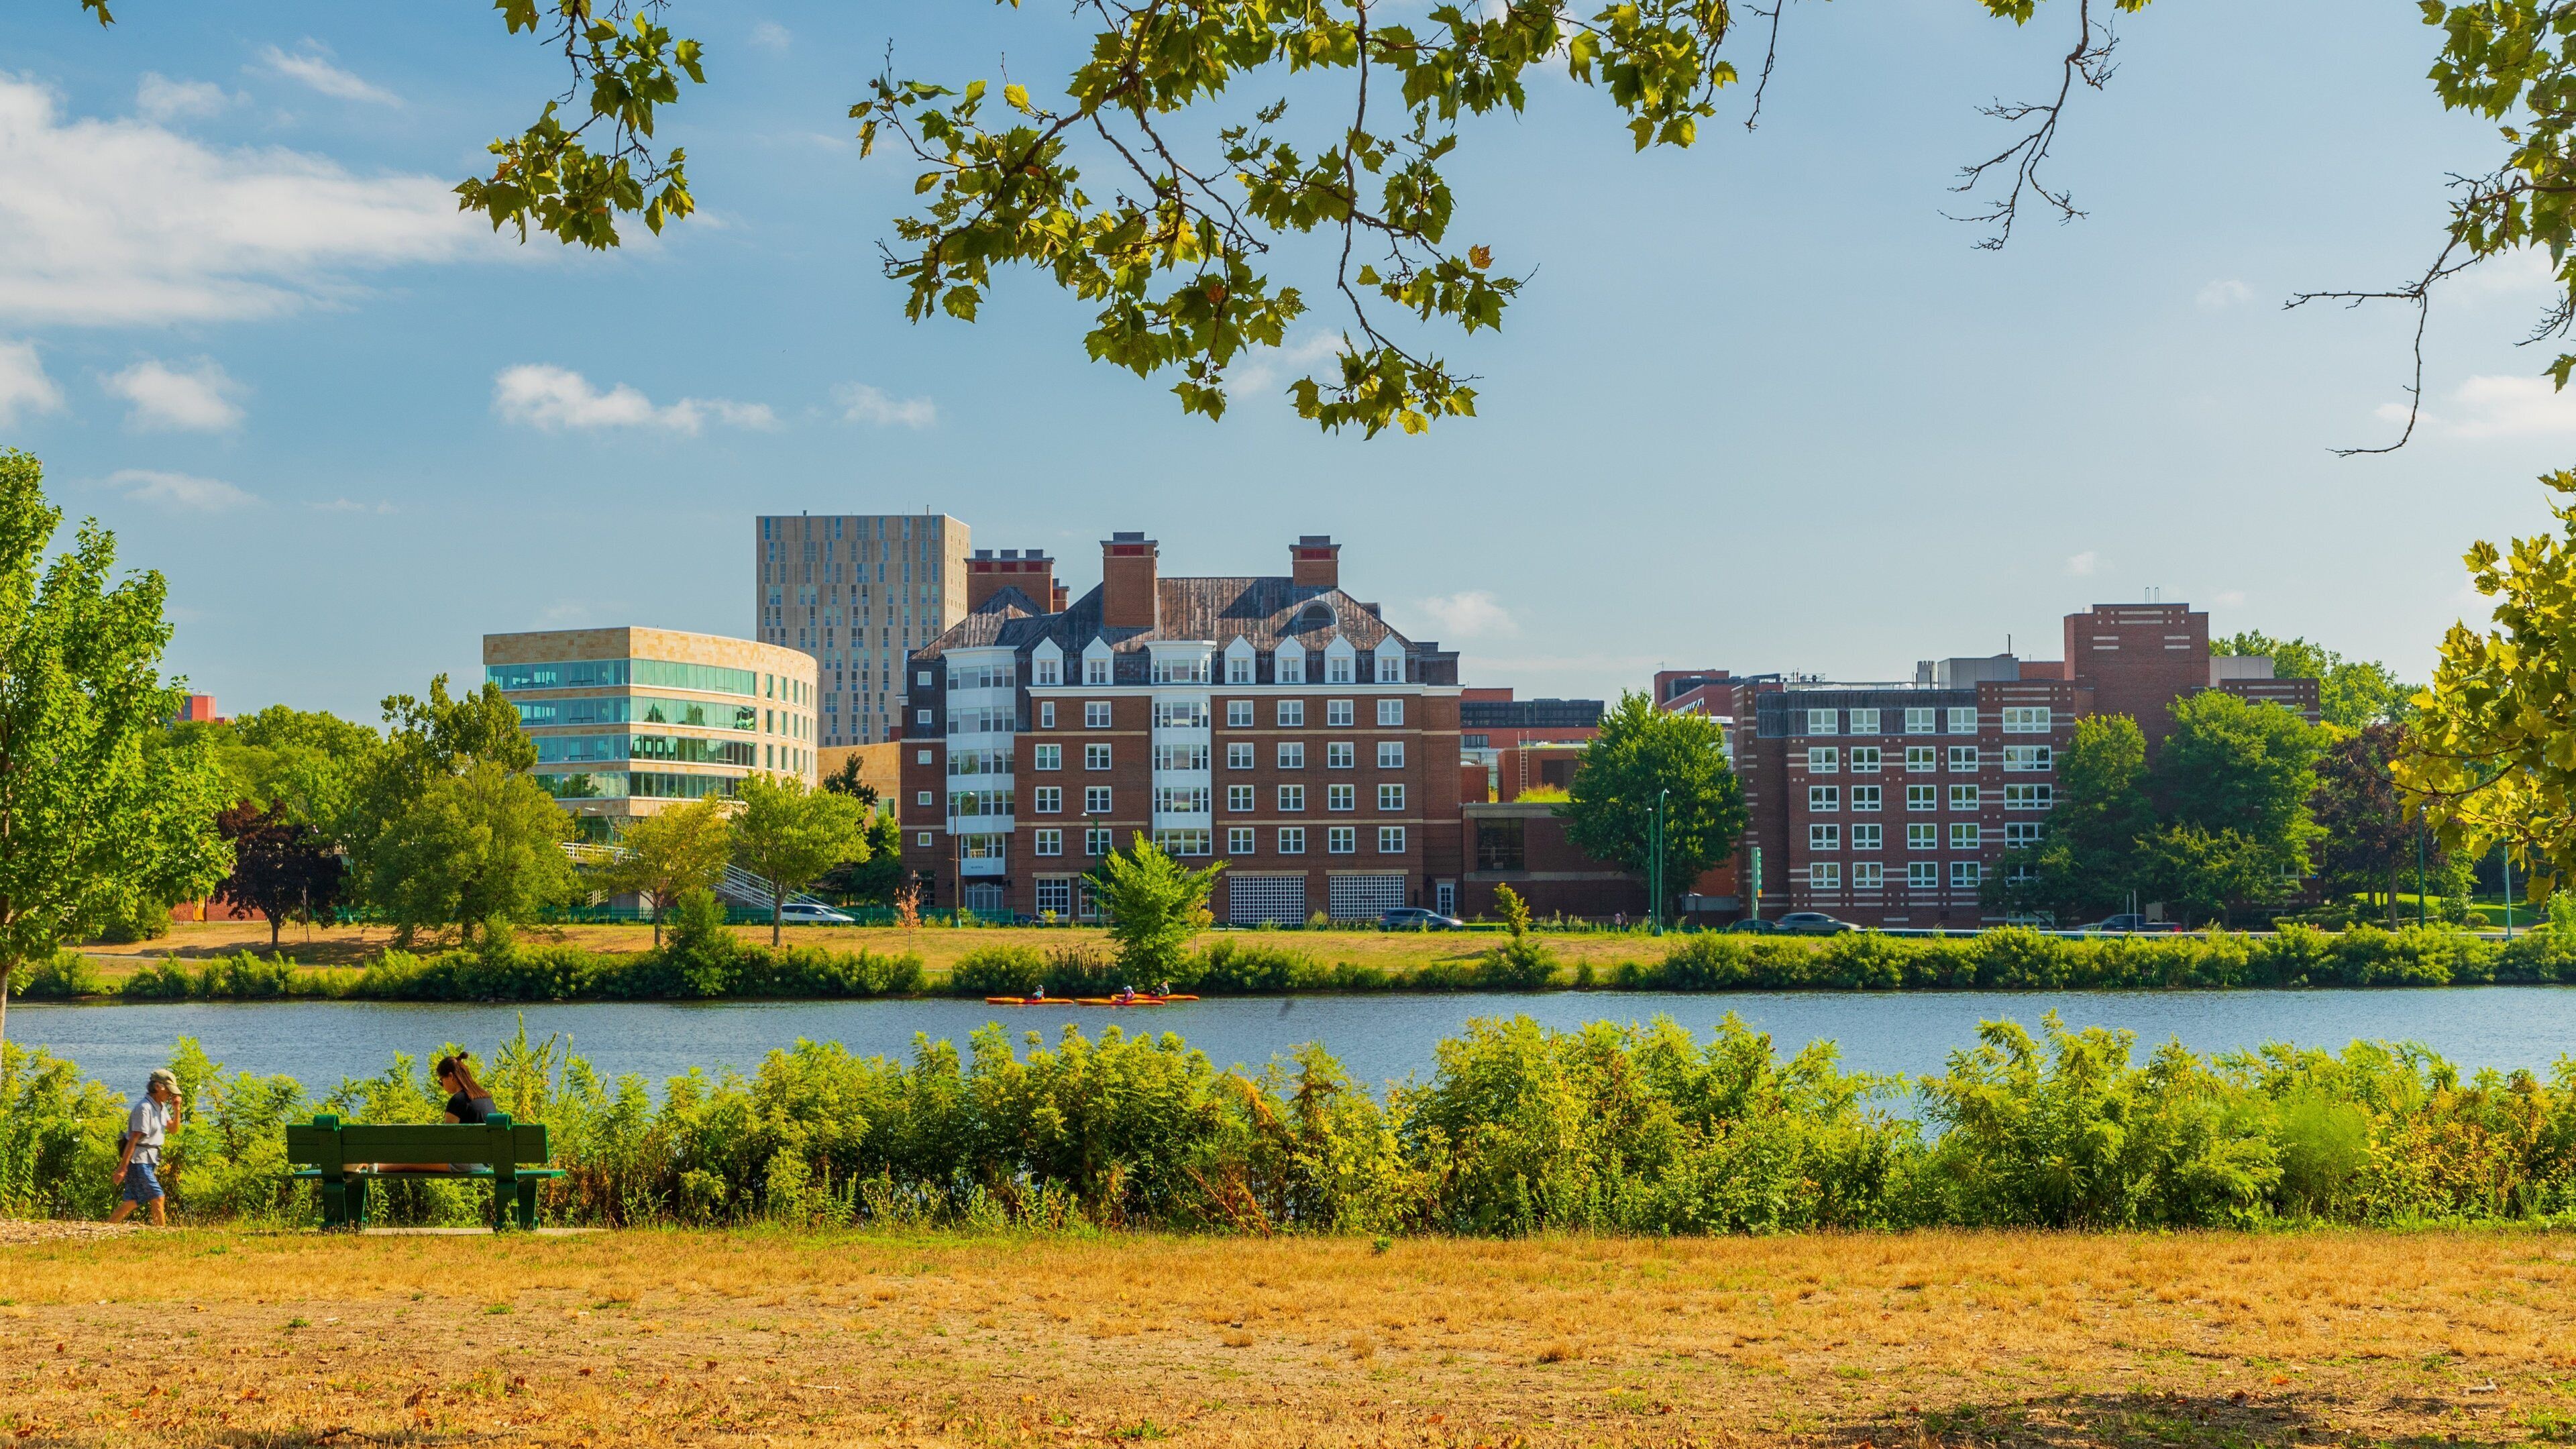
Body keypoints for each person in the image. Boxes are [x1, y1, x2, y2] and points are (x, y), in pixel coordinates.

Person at [374, 1055, 498, 1173]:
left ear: (451, 1076)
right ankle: (375, 1165)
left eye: (441, 1081)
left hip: (466, 1163)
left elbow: (446, 1140)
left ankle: (376, 1166)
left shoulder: (458, 1100)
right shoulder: (486, 1097)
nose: (442, 1086)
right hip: (486, 1163)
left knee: (409, 1162)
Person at [109, 1069, 182, 1226]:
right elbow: (133, 1139)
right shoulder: (144, 1109)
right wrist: (122, 1168)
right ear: (157, 1087)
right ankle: (161, 1233)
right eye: (168, 1090)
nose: (170, 1094)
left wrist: (177, 1109)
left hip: (150, 1160)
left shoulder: (161, 1107)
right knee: (158, 1196)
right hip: (138, 1160)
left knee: (132, 1200)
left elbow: (173, 1129)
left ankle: (106, 1227)